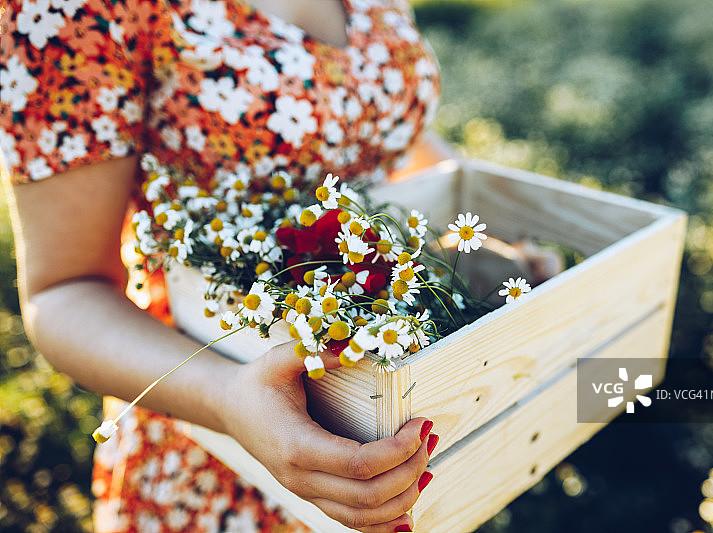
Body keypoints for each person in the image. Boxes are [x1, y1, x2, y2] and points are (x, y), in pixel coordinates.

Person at [0, 0, 443, 531]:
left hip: (399, 436)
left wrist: (473, 236)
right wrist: (229, 398)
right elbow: (66, 288)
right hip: (209, 447)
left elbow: (384, 129)